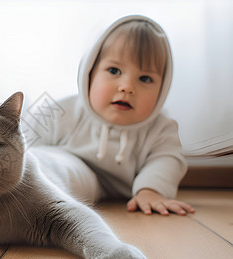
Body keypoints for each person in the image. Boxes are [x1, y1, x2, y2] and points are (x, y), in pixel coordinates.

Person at [24, 15, 195, 216]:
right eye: (114, 70)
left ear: (162, 89)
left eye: (145, 78)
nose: (127, 87)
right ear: (90, 72)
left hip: (106, 189)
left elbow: (167, 160)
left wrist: (150, 190)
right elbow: (23, 137)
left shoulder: (161, 128)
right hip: (72, 168)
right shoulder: (59, 109)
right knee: (53, 162)